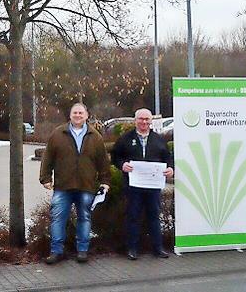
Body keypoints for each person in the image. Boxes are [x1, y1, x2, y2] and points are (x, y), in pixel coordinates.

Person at [39, 103, 111, 264]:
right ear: (70, 115)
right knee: (58, 218)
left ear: (87, 115)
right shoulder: (58, 134)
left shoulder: (95, 136)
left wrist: (105, 181)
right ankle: (56, 251)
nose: (77, 115)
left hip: (86, 186)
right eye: (74, 112)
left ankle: (83, 250)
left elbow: (103, 162)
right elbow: (48, 157)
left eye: (81, 113)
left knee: (84, 218)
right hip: (63, 186)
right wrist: (45, 178)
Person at [111, 108, 174, 260]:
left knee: (154, 216)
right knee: (133, 216)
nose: (144, 122)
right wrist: (122, 165)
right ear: (135, 120)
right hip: (134, 186)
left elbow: (168, 157)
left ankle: (157, 248)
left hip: (153, 186)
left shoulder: (159, 139)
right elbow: (115, 156)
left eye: (147, 119)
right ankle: (132, 249)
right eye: (141, 119)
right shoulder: (125, 138)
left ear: (151, 121)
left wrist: (171, 168)